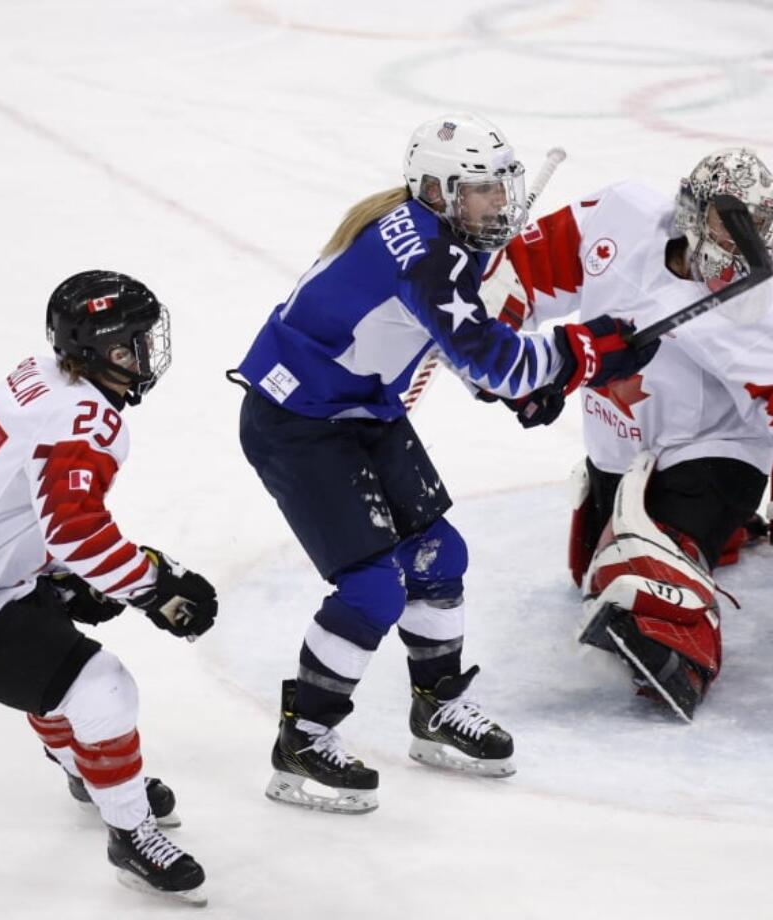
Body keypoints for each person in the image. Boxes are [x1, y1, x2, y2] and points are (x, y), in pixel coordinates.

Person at [234, 112, 655, 813]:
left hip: (361, 407)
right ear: (434, 189)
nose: (498, 203)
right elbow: (491, 355)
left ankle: (437, 706)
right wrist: (587, 351)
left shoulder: (435, 236)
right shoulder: (424, 255)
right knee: (372, 590)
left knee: (438, 555)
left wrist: (508, 385)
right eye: (480, 190)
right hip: (298, 424)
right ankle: (303, 738)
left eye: (500, 187)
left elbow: (447, 338)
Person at [488, 148, 773, 721]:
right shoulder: (623, 213)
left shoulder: (754, 307)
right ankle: (704, 539)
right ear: (691, 211)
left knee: (645, 573)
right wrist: (494, 347)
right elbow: (529, 270)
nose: (741, 244)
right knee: (590, 564)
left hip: (715, 451)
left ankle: (686, 636)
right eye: (726, 223)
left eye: (756, 228)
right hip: (620, 448)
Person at [0, 271, 218, 905]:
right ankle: (131, 838)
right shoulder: (85, 418)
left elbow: (19, 501)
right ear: (99, 349)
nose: (145, 354)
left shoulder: (41, 371)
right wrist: (153, 587)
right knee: (103, 690)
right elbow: (76, 532)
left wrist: (64, 574)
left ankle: (88, 770)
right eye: (133, 343)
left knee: (56, 666)